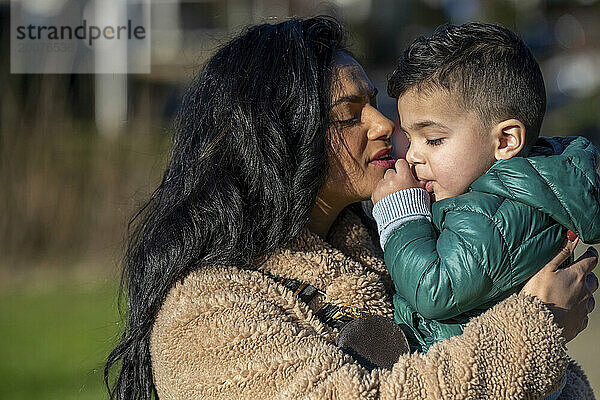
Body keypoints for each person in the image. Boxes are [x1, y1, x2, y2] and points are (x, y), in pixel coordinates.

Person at [104, 17, 598, 400]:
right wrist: (537, 327)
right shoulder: (209, 315)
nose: (384, 125)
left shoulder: (395, 245)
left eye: (374, 103)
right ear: (275, 141)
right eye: (348, 116)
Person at [371, 22, 600, 357]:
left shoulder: (497, 212)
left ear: (506, 140)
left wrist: (401, 215)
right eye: (410, 137)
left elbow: (435, 289)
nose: (413, 155)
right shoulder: (514, 192)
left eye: (433, 139)